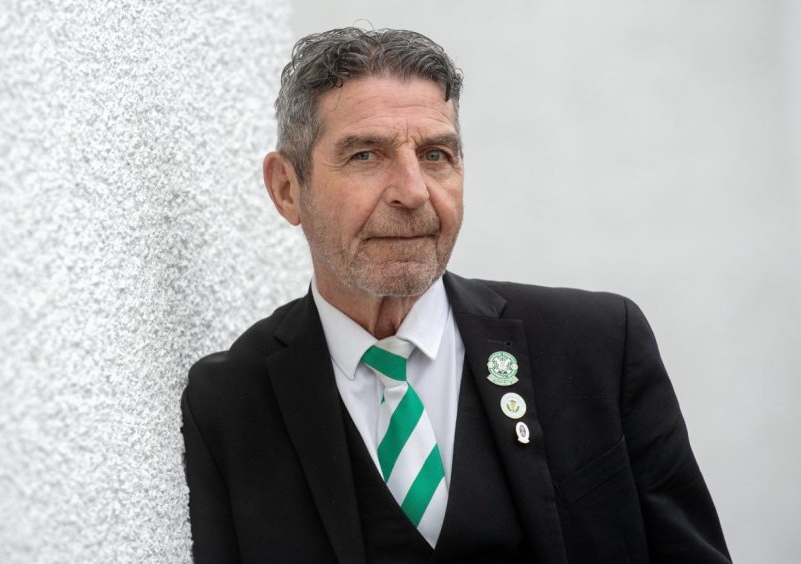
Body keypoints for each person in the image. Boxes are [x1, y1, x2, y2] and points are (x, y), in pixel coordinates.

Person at [181, 27, 731, 563]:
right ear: (286, 189)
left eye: (436, 154)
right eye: (365, 155)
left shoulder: (599, 346)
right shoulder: (231, 402)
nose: (413, 191)